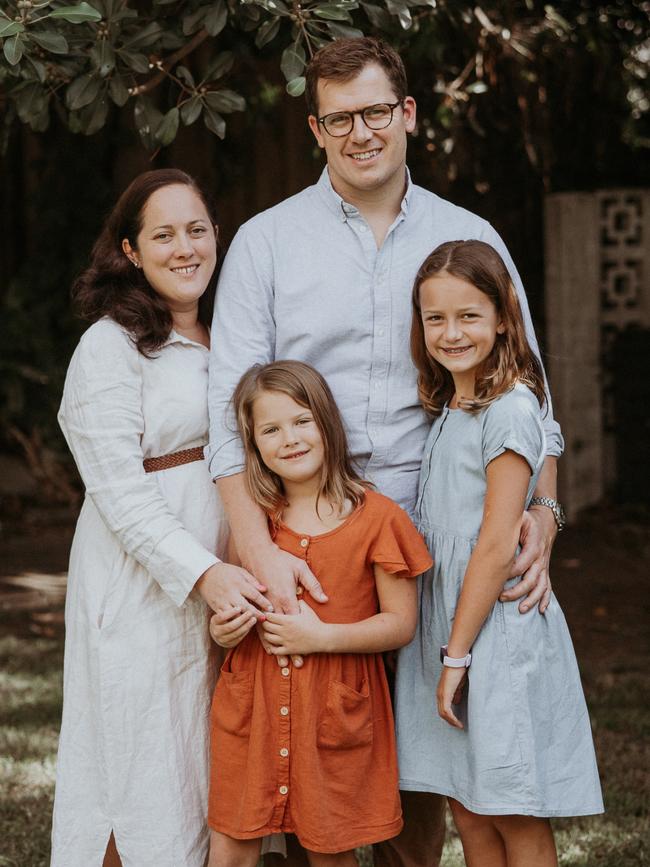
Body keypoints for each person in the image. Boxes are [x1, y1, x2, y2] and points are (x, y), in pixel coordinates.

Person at [207, 37, 566, 866]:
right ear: (316, 128)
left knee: (421, 769)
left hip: (441, 533)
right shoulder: (266, 241)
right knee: (311, 755)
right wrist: (260, 551)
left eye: (376, 111)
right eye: (340, 118)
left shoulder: (467, 234)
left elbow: (531, 389)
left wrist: (544, 510)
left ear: (406, 114)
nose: (360, 132)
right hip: (305, 533)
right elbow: (229, 415)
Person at [50, 169, 270, 867]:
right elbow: (117, 489)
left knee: (207, 764)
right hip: (139, 583)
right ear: (131, 251)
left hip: (228, 573)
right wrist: (205, 574)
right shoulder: (110, 346)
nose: (185, 247)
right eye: (163, 234)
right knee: (135, 765)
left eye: (197, 229)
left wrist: (242, 563)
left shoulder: (230, 335)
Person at [396, 240, 603, 866]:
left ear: (503, 319)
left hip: (491, 631)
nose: (451, 332)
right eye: (436, 318)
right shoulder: (455, 403)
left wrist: (456, 654)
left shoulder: (511, 408)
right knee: (469, 806)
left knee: (511, 808)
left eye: (469, 316)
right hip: (451, 622)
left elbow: (494, 540)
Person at [207, 360, 432, 866]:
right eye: (270, 429)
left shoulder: (378, 518)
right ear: (253, 445)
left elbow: (400, 623)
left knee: (329, 849)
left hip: (331, 713)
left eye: (301, 421)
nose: (289, 438)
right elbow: (229, 610)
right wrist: (224, 629)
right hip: (254, 708)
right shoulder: (253, 527)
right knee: (232, 843)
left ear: (327, 423)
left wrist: (320, 638)